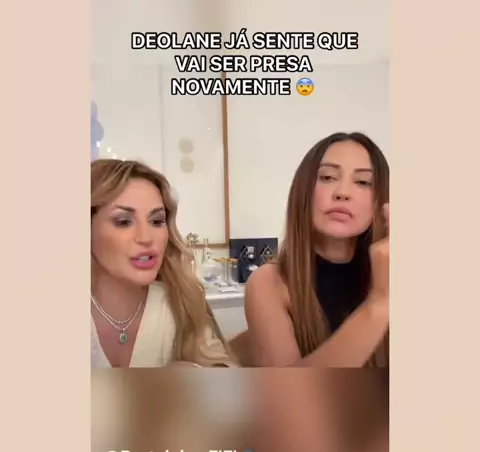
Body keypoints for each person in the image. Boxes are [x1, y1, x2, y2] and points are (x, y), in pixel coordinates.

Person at [244, 132, 390, 367]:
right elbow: (285, 388)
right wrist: (379, 304)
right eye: (327, 177)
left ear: (380, 201)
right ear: (304, 191)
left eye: (363, 182)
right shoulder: (268, 282)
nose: (343, 192)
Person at [91, 158, 233, 368]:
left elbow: (224, 370)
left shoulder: (180, 303)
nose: (146, 238)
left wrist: (193, 373)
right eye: (123, 222)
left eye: (156, 221)